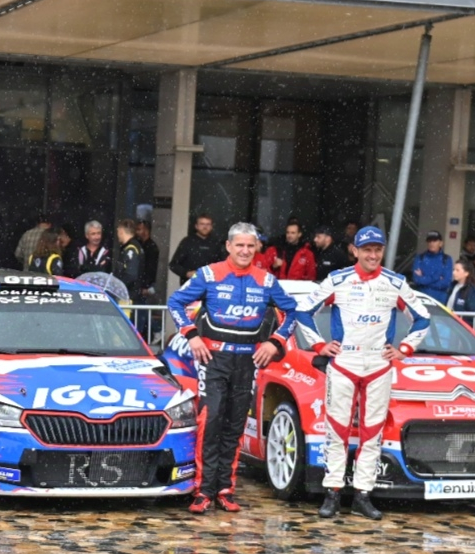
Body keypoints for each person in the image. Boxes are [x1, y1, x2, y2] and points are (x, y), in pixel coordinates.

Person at [298, 226, 431, 521]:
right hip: (344, 364)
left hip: (379, 366)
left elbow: (422, 318)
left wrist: (405, 349)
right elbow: (303, 311)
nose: (373, 255)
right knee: (337, 429)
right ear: (355, 251)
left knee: (372, 432)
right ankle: (332, 492)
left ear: (383, 251)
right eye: (367, 249)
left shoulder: (395, 283)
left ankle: (362, 494)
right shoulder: (338, 279)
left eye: (378, 249)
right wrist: (319, 344)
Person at [168, 222, 299, 515]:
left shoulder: (266, 280)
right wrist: (192, 336)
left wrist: (275, 343)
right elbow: (175, 302)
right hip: (213, 362)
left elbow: (292, 311)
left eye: (250, 246)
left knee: (235, 425)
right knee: (210, 421)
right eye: (239, 245)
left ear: (257, 248)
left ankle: (225, 489)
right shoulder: (209, 274)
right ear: (228, 246)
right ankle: (203, 491)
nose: (245, 251)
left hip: (247, 362)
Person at [168, 214, 224, 283]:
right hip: (190, 285)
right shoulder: (187, 242)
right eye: (202, 224)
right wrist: (187, 273)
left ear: (211, 227)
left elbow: (223, 264)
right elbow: (173, 264)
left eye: (208, 224)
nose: (205, 227)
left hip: (211, 285)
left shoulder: (216, 243)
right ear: (196, 226)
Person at [411, 230, 453, 304]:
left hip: (440, 302)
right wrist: (437, 277)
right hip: (422, 300)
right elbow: (417, 280)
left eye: (434, 240)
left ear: (441, 243)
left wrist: (424, 280)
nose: (431, 243)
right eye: (429, 241)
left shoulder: (446, 259)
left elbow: (446, 283)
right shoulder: (420, 258)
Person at [112, 219, 144, 299]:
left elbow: (131, 275)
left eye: (118, 232)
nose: (118, 235)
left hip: (129, 297)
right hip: (130, 294)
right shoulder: (135, 247)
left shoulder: (131, 249)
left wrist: (117, 286)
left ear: (121, 231)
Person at [133, 219, 160, 296]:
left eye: (139, 229)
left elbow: (150, 269)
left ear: (146, 231)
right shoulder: (139, 244)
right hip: (139, 284)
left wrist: (146, 285)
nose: (137, 232)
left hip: (146, 285)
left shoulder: (152, 247)